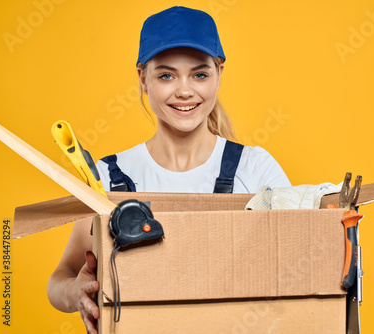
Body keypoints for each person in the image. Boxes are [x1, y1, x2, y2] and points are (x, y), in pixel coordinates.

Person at [47, 6, 290, 334]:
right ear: (143, 79)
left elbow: (297, 261)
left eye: (200, 74)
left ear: (219, 74)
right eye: (166, 75)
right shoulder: (105, 177)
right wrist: (74, 292)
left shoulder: (257, 170)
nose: (185, 90)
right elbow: (61, 277)